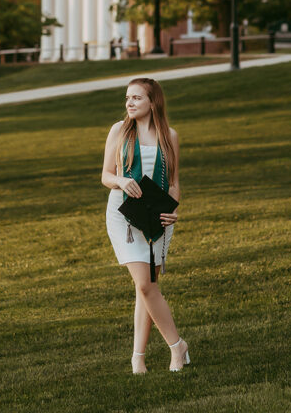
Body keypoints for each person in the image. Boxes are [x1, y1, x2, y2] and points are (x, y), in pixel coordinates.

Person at [102, 76, 190, 374]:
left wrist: (172, 210)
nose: (130, 103)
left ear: (153, 102)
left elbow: (174, 183)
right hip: (123, 215)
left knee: (147, 288)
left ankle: (138, 357)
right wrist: (122, 180)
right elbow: (105, 175)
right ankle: (177, 347)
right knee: (145, 284)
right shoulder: (119, 130)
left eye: (137, 98)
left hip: (156, 216)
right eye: (128, 98)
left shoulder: (169, 136)